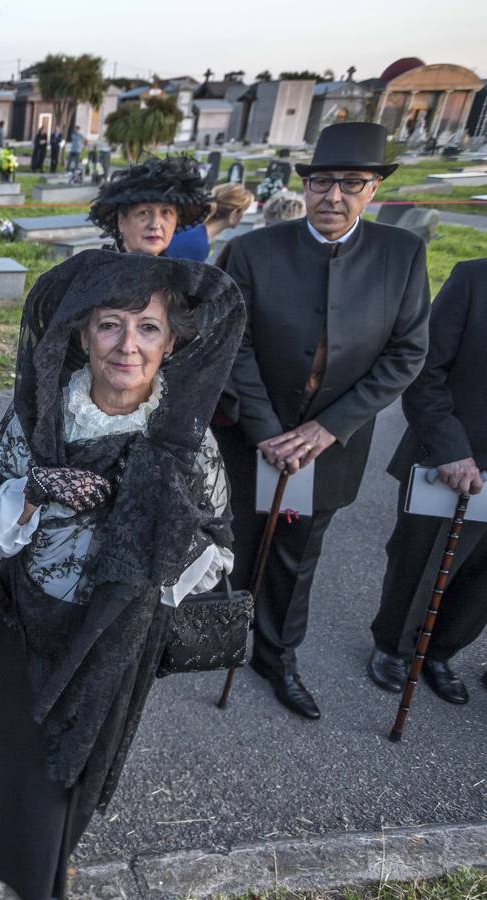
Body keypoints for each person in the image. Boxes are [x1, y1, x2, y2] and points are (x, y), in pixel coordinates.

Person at [0, 249, 243, 900]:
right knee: (8, 756)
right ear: (83, 334)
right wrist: (35, 488)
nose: (127, 345)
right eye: (110, 324)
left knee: (64, 773)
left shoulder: (186, 440)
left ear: (171, 344)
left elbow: (218, 548)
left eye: (148, 328)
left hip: (111, 643)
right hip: (22, 624)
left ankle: (37, 876)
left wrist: (163, 550)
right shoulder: (42, 414)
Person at [215, 122, 430, 720]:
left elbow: (406, 353)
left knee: (298, 551)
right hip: (254, 434)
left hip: (330, 444)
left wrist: (326, 429)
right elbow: (234, 344)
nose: (333, 196)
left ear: (374, 189)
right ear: (304, 185)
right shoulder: (254, 250)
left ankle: (277, 656)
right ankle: (222, 641)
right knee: (240, 540)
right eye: (321, 182)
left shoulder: (402, 253)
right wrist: (267, 432)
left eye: (351, 183)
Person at [368, 258, 487, 704]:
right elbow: (426, 370)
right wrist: (452, 449)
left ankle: (441, 652)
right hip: (449, 457)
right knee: (418, 560)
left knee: (480, 575)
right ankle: (394, 647)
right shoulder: (473, 279)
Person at [88, 155, 212, 256]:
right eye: (144, 213)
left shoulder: (183, 280)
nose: (155, 225)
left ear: (176, 220)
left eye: (166, 212)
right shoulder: (93, 276)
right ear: (121, 220)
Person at [165, 182, 255, 262]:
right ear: (235, 213)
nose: (244, 216)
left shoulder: (195, 231)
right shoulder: (197, 242)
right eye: (245, 211)